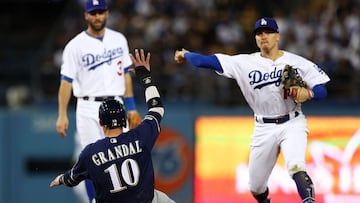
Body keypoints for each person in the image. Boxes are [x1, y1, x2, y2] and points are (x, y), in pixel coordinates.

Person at [174, 17, 330, 203]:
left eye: (268, 32)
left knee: (296, 165)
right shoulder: (244, 63)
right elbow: (205, 62)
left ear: (278, 36)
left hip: (292, 122)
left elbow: (322, 89)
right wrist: (186, 55)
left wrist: (309, 94)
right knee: (255, 187)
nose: (264, 36)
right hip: (263, 127)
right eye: (259, 33)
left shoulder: (296, 62)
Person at [51, 48, 175, 203]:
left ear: (101, 122)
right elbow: (157, 108)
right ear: (124, 119)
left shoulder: (90, 153)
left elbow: (72, 179)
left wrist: (61, 179)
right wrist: (145, 77)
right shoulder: (140, 136)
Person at [55, 0, 141, 202]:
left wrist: (132, 107)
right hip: (87, 106)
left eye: (100, 12)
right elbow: (66, 82)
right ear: (86, 15)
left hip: (116, 102)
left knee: (123, 156)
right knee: (91, 160)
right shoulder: (74, 46)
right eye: (93, 13)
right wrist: (61, 114)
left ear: (107, 13)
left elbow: (126, 75)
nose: (97, 16)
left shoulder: (118, 39)